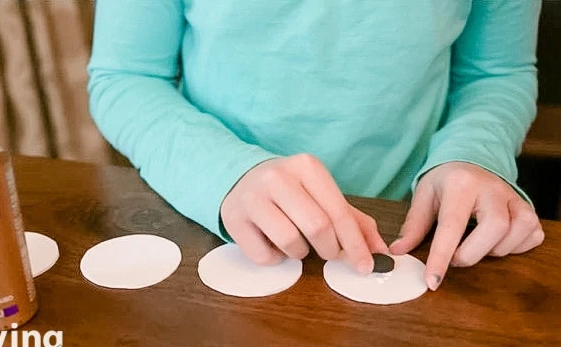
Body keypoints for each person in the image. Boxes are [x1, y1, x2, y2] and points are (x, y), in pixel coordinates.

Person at [87, 0, 545, 291]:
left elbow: (496, 73)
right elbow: (127, 77)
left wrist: (476, 152)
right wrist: (224, 172)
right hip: (212, 225)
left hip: (407, 231)